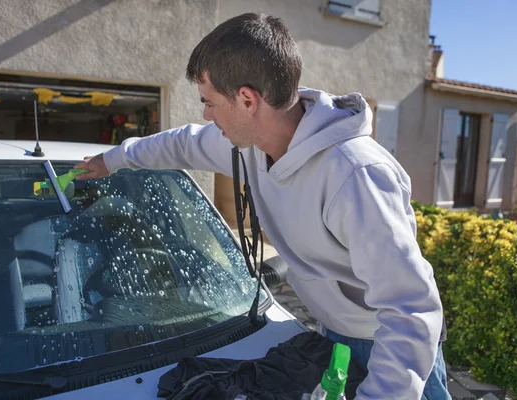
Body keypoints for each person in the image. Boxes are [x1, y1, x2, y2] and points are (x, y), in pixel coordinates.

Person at [74, 13, 449, 400]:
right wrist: (113, 160)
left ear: (247, 99)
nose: (205, 116)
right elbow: (182, 144)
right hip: (336, 331)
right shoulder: (249, 146)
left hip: (391, 346)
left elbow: (410, 311)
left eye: (209, 103)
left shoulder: (355, 175)